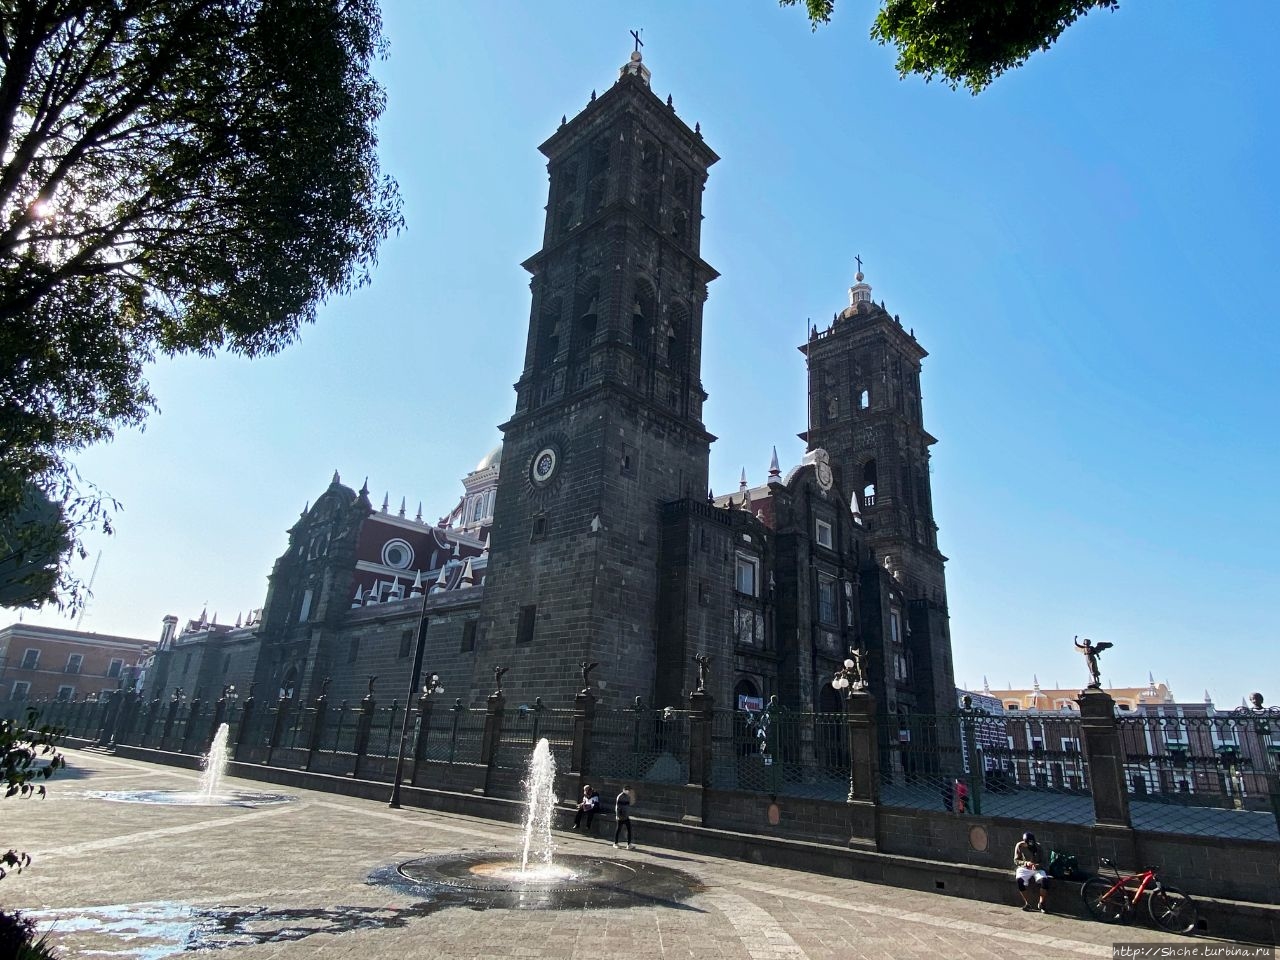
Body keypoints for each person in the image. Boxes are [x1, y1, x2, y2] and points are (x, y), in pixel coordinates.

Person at [1014, 831, 1052, 912]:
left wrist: (1037, 865)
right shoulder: (1019, 846)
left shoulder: (1039, 847)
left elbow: (1044, 862)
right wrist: (1025, 863)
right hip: (1025, 867)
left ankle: (1041, 903)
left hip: (1036, 868)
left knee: (1045, 880)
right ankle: (1027, 903)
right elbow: (1016, 860)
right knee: (1019, 881)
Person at [613, 785, 635, 850]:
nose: (629, 792)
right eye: (628, 790)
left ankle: (629, 844)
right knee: (618, 829)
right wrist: (618, 816)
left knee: (629, 829)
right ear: (624, 790)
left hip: (626, 816)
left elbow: (628, 805)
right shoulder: (620, 797)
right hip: (621, 816)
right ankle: (615, 843)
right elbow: (617, 807)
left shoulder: (628, 797)